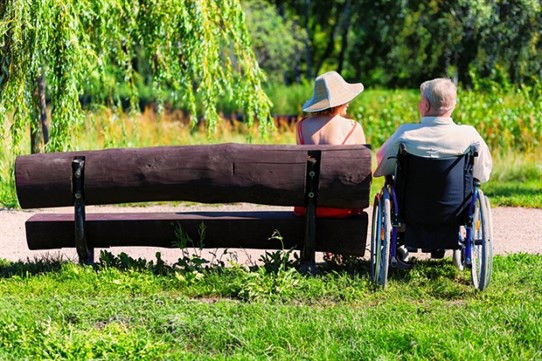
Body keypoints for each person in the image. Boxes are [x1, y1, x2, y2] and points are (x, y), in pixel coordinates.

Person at [374, 78, 492, 182]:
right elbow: (483, 174)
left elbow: (381, 160)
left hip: (410, 204)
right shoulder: (470, 135)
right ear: (453, 105)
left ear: (426, 105)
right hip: (458, 204)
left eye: (420, 101)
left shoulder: (405, 133)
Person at [294, 70, 366, 219]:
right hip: (341, 208)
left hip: (305, 208)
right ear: (339, 101)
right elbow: (363, 175)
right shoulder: (353, 127)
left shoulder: (301, 127)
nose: (348, 102)